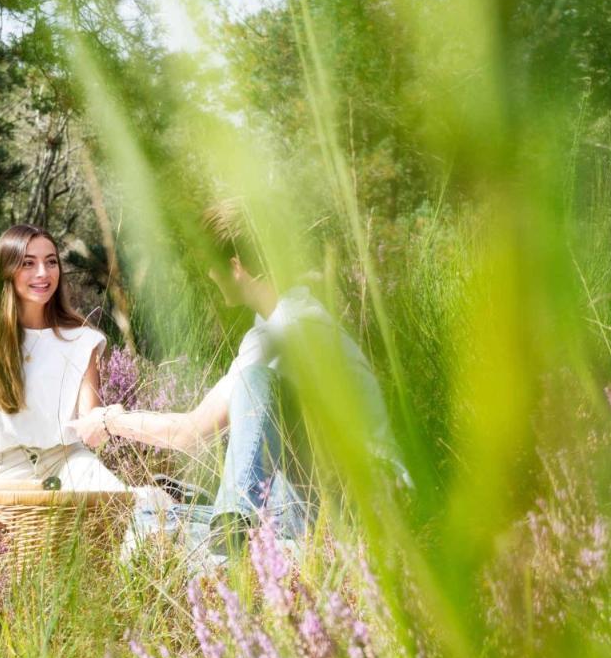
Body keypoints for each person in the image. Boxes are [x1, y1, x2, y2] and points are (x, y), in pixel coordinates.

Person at [68, 199, 405, 557]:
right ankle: (230, 532)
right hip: (326, 501)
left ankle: (231, 541)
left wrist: (109, 421)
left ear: (235, 267)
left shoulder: (286, 332)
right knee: (151, 513)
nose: (210, 276)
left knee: (151, 530)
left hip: (358, 507)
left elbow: (189, 433)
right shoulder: (290, 319)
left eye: (211, 267)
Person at [0, 224, 126, 490]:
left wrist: (113, 421)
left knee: (127, 511)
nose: (43, 273)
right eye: (28, 263)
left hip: (70, 465)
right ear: (6, 270)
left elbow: (90, 423)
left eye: (51, 262)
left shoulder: (81, 340)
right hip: (0, 473)